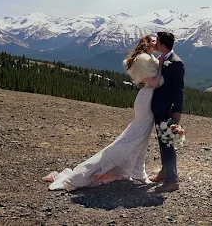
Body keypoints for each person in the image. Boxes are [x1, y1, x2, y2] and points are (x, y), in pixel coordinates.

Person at [42, 35, 163, 191]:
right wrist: (161, 68)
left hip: (146, 98)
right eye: (153, 40)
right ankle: (113, 169)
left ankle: (139, 172)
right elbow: (153, 83)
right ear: (146, 43)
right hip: (146, 99)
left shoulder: (147, 57)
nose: (156, 42)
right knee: (136, 138)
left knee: (141, 139)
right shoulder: (144, 59)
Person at [148, 31, 185, 193]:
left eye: (157, 42)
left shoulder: (176, 63)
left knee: (168, 142)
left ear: (162, 44)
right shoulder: (163, 59)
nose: (155, 44)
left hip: (168, 110)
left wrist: (176, 111)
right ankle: (165, 171)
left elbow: (179, 89)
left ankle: (172, 180)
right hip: (159, 107)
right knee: (162, 141)